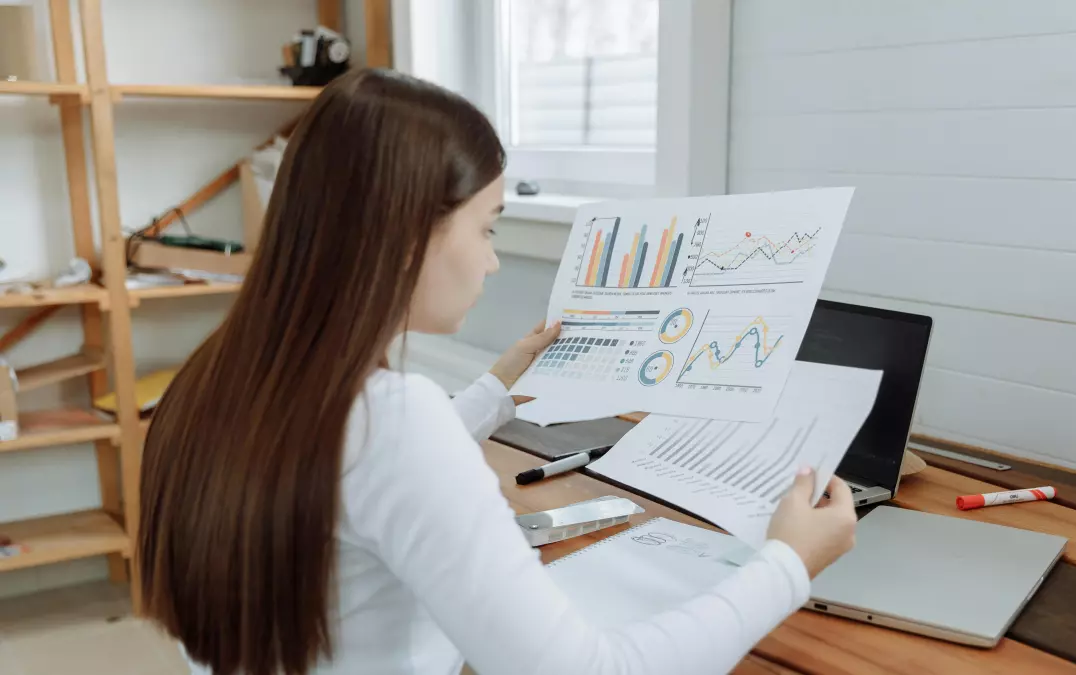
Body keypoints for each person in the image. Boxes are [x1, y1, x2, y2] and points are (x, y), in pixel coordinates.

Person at [137, 69, 857, 675]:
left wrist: (495, 389)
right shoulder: (391, 418)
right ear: (409, 233)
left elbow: (345, 478)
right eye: (487, 226)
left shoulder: (212, 379)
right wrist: (789, 563)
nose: (492, 259)